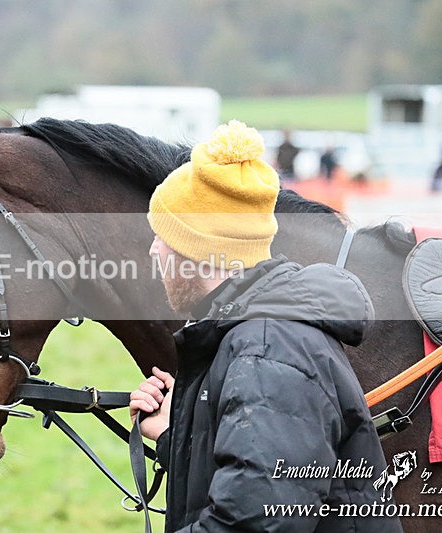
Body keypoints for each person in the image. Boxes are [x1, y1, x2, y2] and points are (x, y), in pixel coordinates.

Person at [130, 120, 400, 532]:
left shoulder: (268, 350)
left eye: (162, 237)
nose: (154, 251)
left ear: (196, 251)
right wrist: (175, 435)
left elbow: (255, 524)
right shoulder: (248, 336)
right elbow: (253, 482)